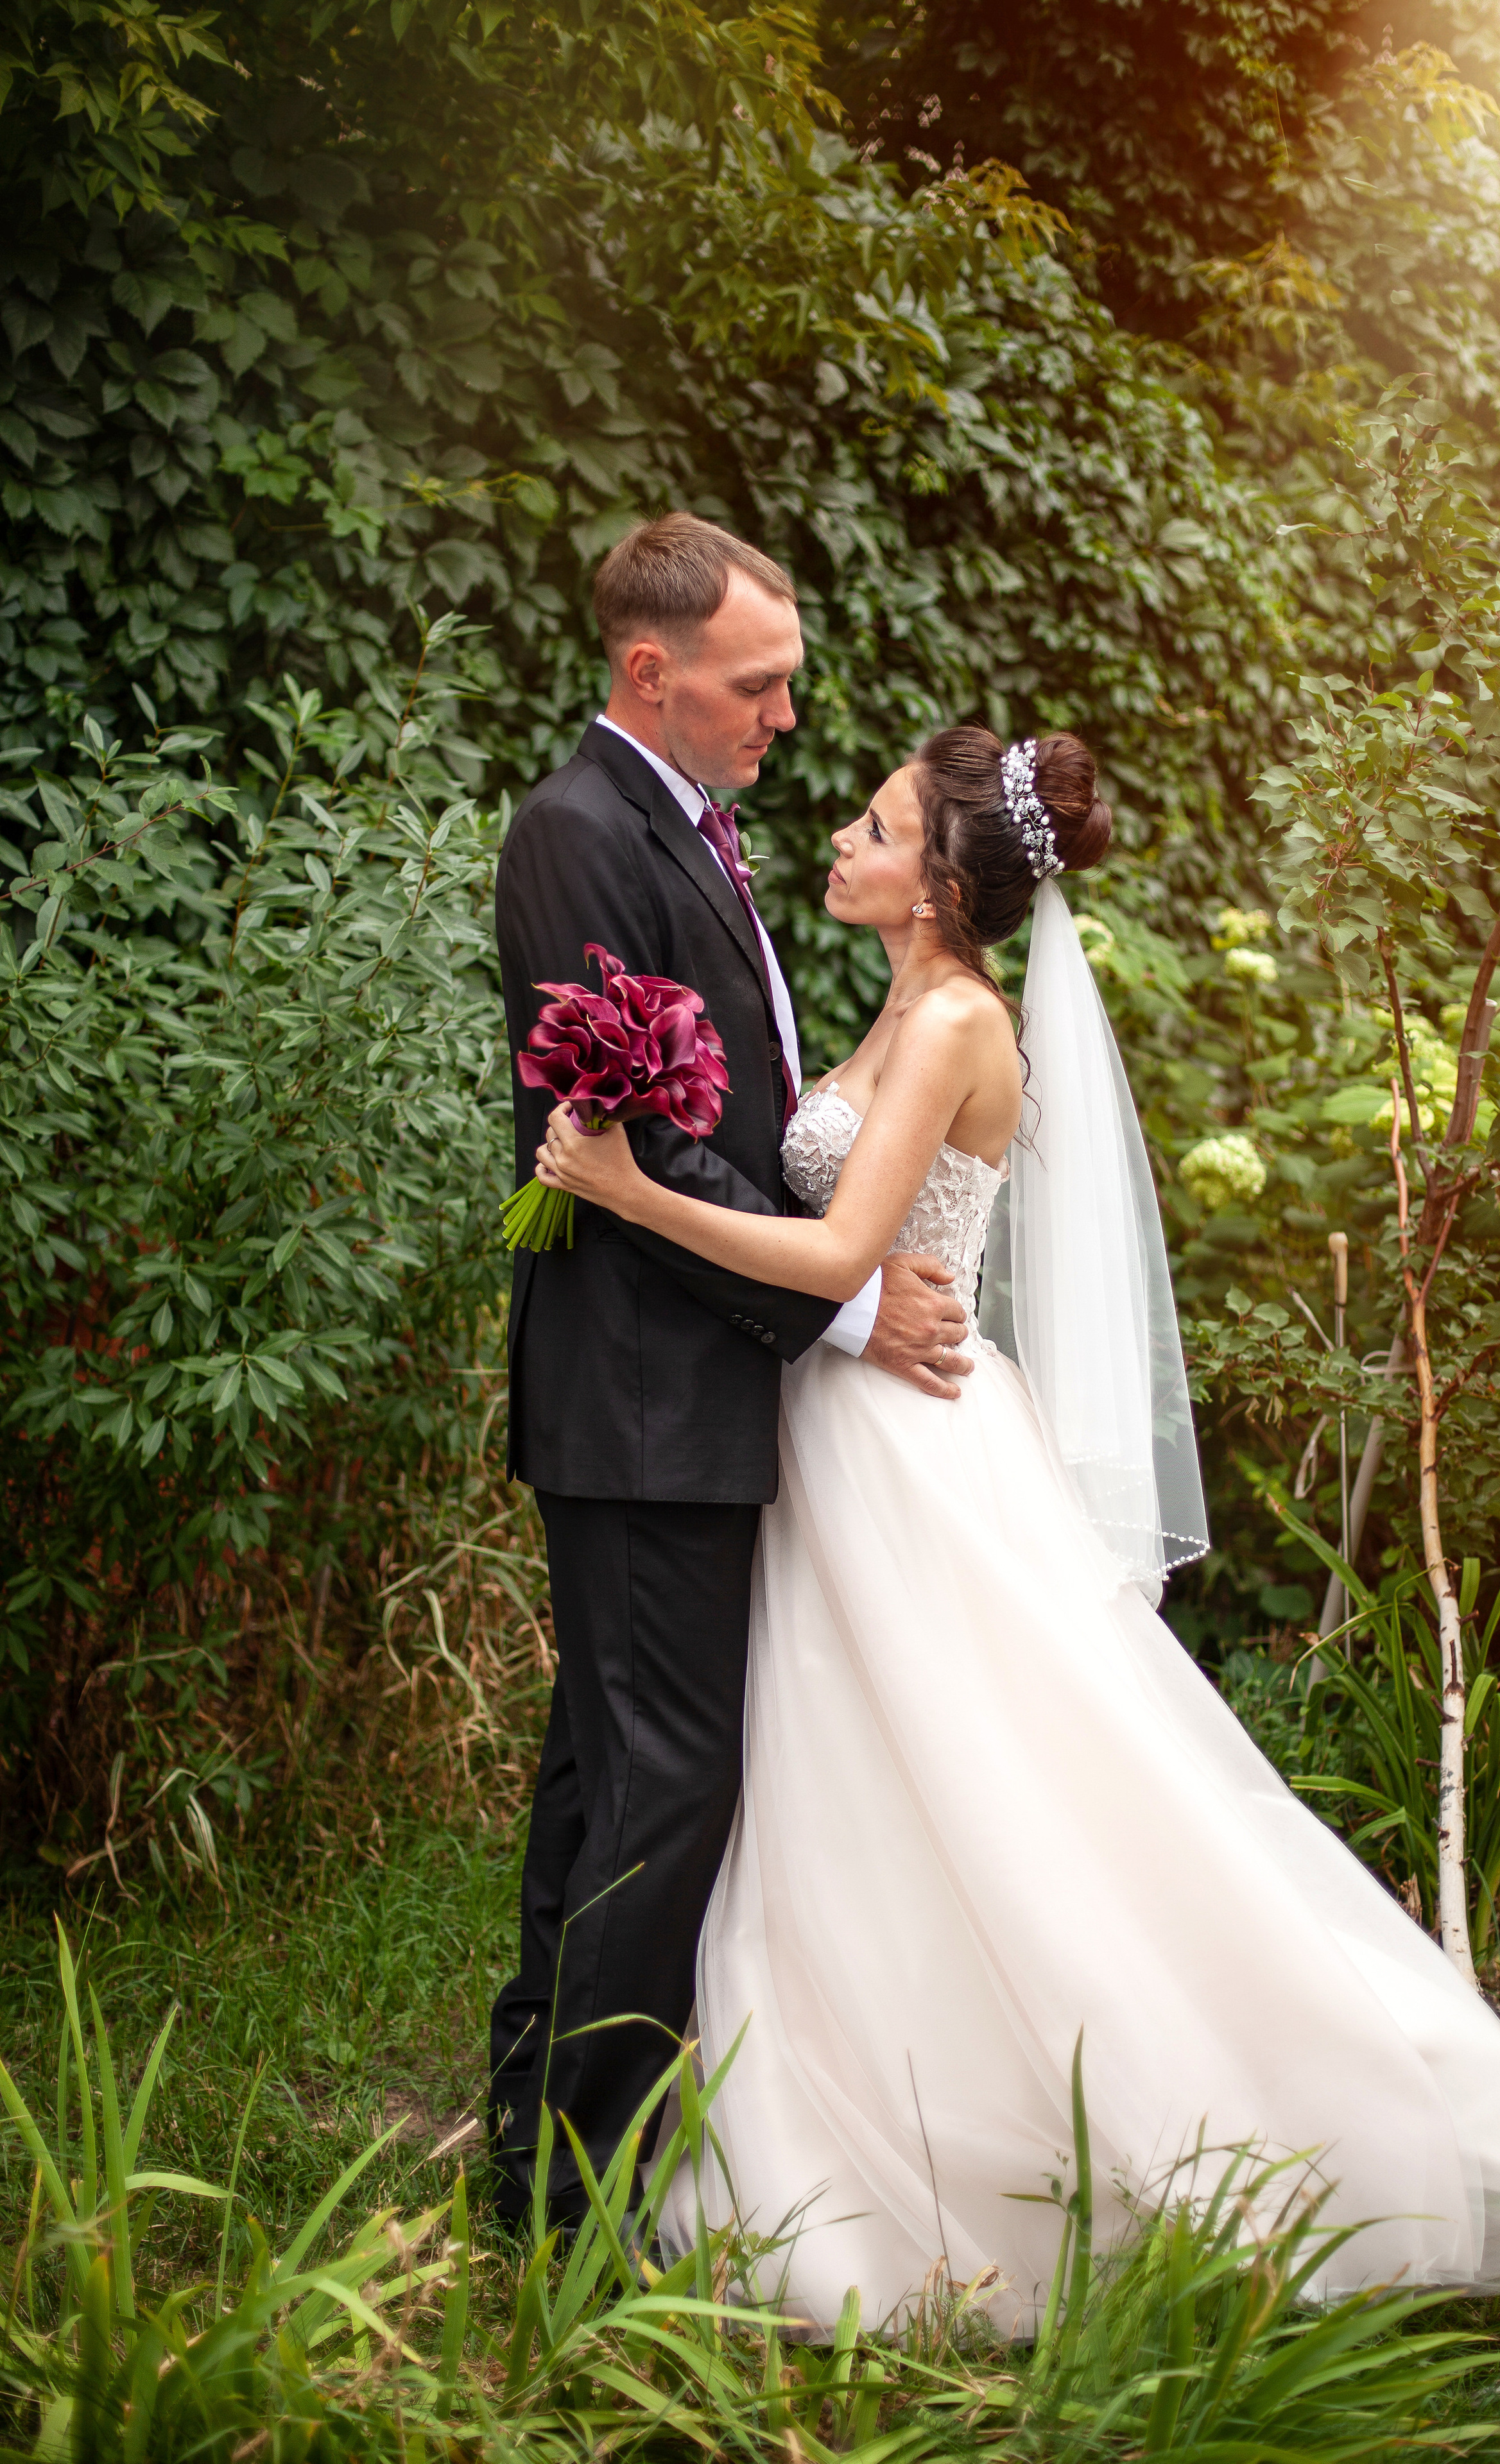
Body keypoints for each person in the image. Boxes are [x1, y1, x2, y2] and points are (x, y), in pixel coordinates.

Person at [535, 721, 1500, 2329]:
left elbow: (844, 1248)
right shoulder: (900, 1002)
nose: (838, 840)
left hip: (909, 1455)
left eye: (874, 825)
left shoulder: (953, 1025)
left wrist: (627, 1191)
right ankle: (839, 2112)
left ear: (937, 884)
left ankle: (1232, 2135)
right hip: (836, 1437)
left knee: (1010, 1793)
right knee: (852, 1793)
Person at [488, 513, 977, 2233]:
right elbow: (616, 1152)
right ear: (654, 671)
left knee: (610, 1772)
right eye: (754, 686)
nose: (782, 716)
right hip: (638, 1399)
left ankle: (531, 2150)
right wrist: (843, 1311)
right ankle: (572, 2201)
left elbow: (734, 1133)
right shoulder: (575, 833)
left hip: (688, 1388)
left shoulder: (692, 827)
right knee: (662, 1780)